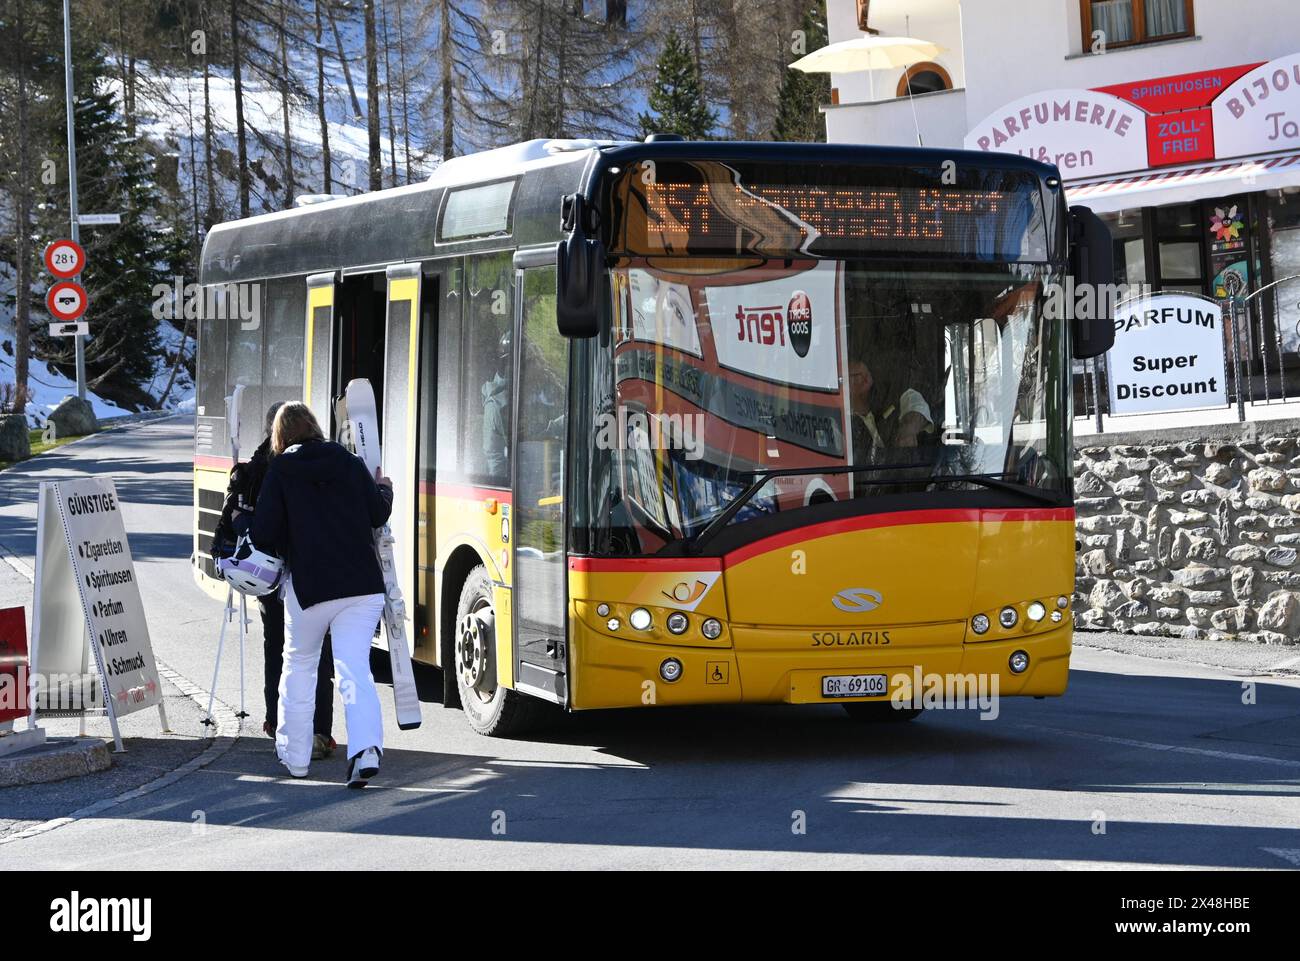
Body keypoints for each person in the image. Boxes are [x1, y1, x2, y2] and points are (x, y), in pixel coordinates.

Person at [251, 402, 394, 786]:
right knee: (354, 668)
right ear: (315, 426)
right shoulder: (348, 462)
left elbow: (264, 533)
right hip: (362, 588)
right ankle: (365, 751)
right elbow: (377, 515)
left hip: (311, 588)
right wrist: (384, 489)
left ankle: (295, 758)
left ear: (280, 436)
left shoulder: (281, 469)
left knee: (299, 665)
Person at [212, 402, 336, 760]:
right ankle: (319, 731)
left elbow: (241, 521)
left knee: (277, 647)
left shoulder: (253, 467)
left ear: (271, 429)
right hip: (309, 572)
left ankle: (275, 721)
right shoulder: (310, 464)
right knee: (316, 655)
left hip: (266, 575)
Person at [847, 358, 935, 463]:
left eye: (868, 373)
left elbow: (915, 401)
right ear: (844, 383)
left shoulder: (885, 403)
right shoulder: (845, 424)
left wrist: (909, 428)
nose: (867, 379)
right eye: (859, 376)